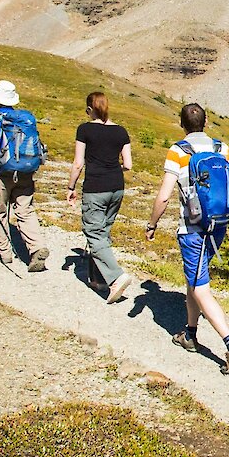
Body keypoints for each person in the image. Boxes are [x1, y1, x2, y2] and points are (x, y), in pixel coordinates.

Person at [145, 103, 229, 374]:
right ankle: (190, 333)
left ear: (182, 124)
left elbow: (164, 195)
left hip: (193, 229)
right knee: (194, 279)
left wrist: (152, 223)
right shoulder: (221, 149)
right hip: (220, 224)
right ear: (206, 121)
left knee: (200, 287)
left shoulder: (179, 151)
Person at [0, 79, 49, 272]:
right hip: (25, 171)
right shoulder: (26, 119)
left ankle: (3, 253)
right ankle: (36, 247)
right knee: (26, 210)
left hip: (1, 172)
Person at [67, 91, 134, 303]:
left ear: (89, 109)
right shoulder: (121, 131)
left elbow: (78, 163)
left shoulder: (84, 129)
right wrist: (113, 169)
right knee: (103, 232)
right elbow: (128, 164)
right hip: (116, 186)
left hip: (95, 187)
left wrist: (71, 186)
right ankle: (99, 280)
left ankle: (116, 277)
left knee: (93, 234)